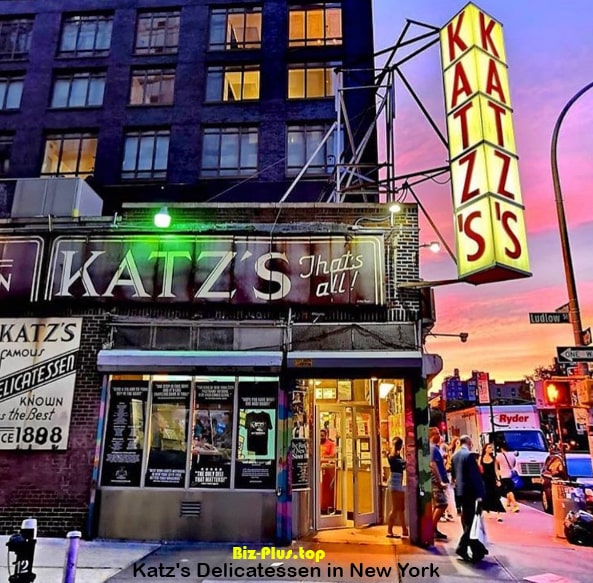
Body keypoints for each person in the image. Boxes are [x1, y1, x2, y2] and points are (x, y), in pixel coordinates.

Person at [451, 435, 487, 563]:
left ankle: (477, 549)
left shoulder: (455, 456)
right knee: (472, 523)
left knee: (468, 522)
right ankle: (463, 547)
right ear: (469, 442)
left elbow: (454, 476)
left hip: (460, 492)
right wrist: (480, 494)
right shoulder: (469, 456)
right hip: (470, 492)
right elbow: (475, 477)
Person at [430, 429, 450, 541]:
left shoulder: (434, 448)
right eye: (438, 433)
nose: (440, 436)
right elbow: (432, 465)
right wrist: (439, 481)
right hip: (436, 483)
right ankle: (431, 529)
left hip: (436, 482)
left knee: (437, 505)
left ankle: (434, 529)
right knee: (442, 504)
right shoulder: (433, 448)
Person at [386, 437, 408, 538]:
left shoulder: (396, 455)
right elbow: (403, 464)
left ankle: (404, 529)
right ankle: (389, 530)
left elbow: (403, 466)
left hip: (398, 481)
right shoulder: (393, 456)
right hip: (394, 482)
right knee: (395, 508)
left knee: (401, 507)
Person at [479, 443, 505, 522]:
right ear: (485, 449)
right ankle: (487, 511)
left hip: (492, 480)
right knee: (486, 496)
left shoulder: (494, 459)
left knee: (496, 496)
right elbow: (479, 469)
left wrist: (498, 479)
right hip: (484, 480)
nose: (491, 449)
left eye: (491, 448)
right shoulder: (481, 458)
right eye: (489, 447)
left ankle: (499, 514)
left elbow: (496, 470)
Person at [496, 443, 520, 512]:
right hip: (511, 475)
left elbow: (497, 466)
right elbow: (513, 464)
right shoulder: (512, 455)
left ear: (501, 449)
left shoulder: (499, 456)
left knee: (508, 491)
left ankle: (515, 505)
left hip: (503, 475)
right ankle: (508, 503)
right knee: (510, 489)